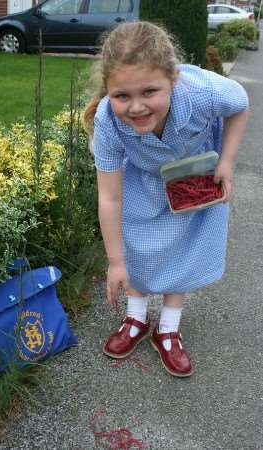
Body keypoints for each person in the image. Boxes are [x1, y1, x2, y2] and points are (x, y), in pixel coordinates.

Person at [83, 21, 249, 377]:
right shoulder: (108, 123)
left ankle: (168, 329)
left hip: (196, 180)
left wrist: (228, 162)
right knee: (138, 249)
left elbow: (241, 105)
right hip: (144, 183)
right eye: (122, 96)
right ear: (108, 90)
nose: (137, 107)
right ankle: (136, 317)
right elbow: (110, 198)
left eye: (150, 91)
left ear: (173, 78)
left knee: (183, 250)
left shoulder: (204, 92)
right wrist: (115, 262)